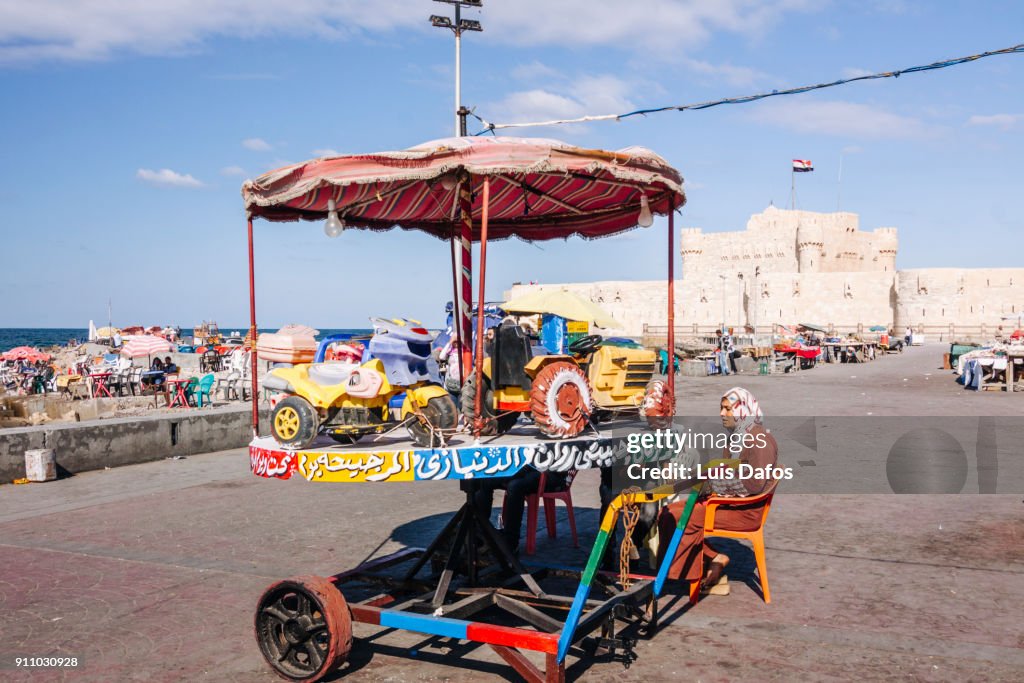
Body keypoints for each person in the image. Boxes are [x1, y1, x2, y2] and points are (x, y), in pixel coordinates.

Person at [657, 387, 778, 596]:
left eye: (727, 409)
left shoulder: (759, 440)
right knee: (667, 512)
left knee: (677, 516)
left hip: (745, 511)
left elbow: (755, 484)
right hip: (729, 502)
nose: (722, 414)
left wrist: (712, 485)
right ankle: (711, 559)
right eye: (721, 408)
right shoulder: (738, 436)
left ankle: (690, 574)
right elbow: (727, 471)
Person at [473, 468, 568, 555]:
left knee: (515, 486)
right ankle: (480, 533)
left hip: (553, 474)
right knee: (484, 480)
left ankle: (511, 542)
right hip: (525, 468)